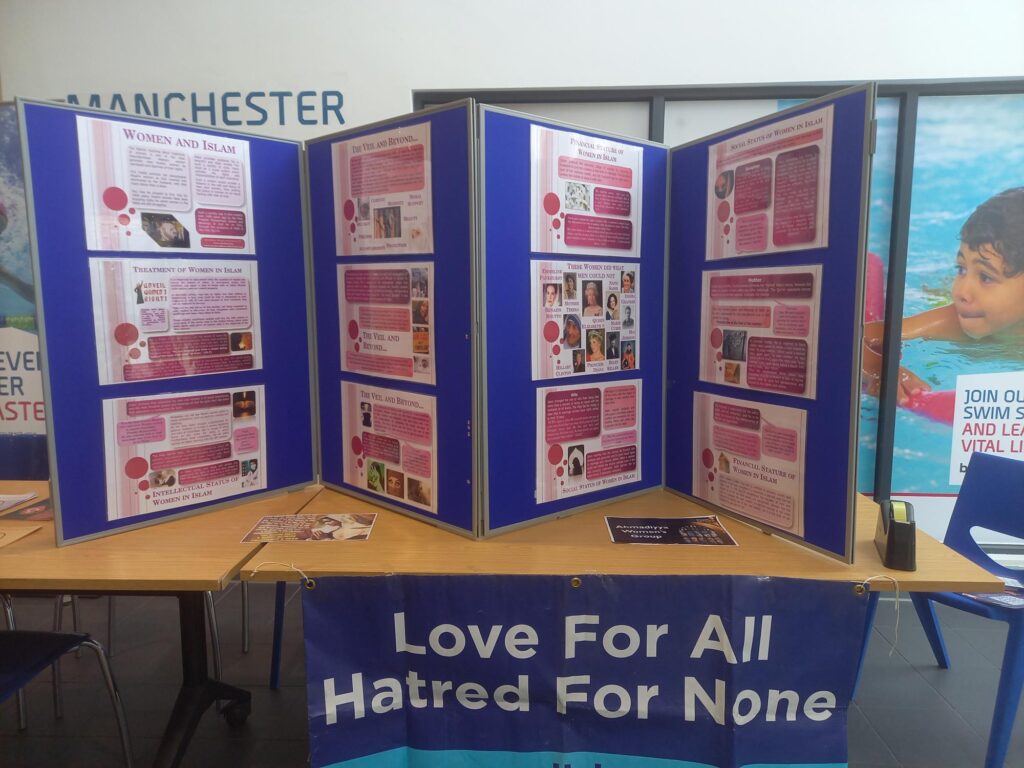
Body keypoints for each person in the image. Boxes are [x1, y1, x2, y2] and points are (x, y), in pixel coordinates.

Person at [863, 188, 1024, 402]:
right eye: (961, 269)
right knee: (937, 293)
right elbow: (851, 338)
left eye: (986, 277)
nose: (961, 292)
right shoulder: (956, 322)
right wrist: (880, 369)